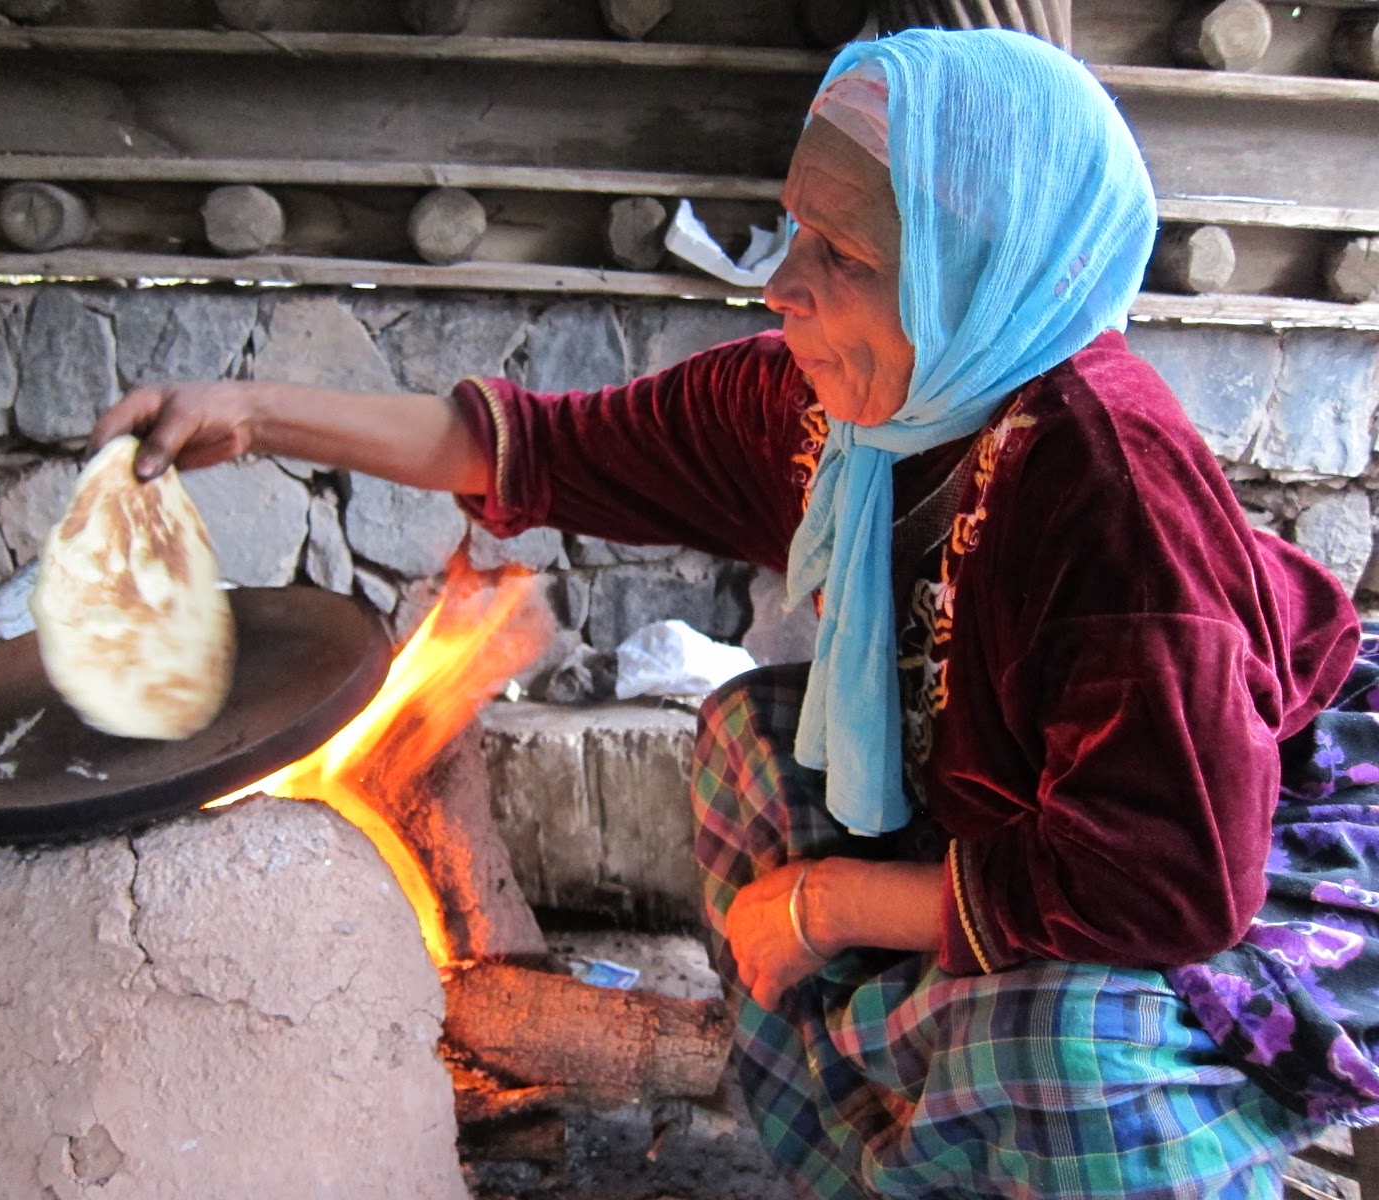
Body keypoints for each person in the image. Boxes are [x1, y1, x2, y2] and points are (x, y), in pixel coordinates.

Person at [92, 28, 1379, 1198]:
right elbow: (527, 449)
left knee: (1063, 1038)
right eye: (791, 234)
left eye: (848, 258)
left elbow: (1163, 879)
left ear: (977, 279)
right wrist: (253, 413)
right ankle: (891, 1164)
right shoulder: (834, 416)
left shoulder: (1110, 493)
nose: (784, 288)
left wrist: (824, 904)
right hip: (1021, 815)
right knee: (748, 749)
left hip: (1261, 839)